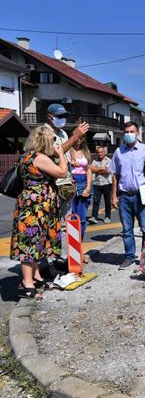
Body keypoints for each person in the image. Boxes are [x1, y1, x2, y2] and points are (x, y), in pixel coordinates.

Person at [10, 125, 68, 299]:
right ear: (45, 140)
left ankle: (36, 277)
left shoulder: (26, 156)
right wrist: (61, 155)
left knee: (37, 242)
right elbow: (62, 172)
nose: (54, 142)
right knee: (30, 243)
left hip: (34, 205)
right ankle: (26, 283)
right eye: (52, 139)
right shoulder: (39, 157)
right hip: (35, 207)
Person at [110, 122, 145, 269]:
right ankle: (129, 257)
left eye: (132, 131)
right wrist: (114, 196)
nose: (129, 134)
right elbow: (115, 175)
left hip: (142, 196)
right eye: (126, 131)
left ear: (137, 133)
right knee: (127, 230)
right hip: (124, 196)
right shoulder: (118, 152)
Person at [45, 103, 89, 261]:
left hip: (66, 184)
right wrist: (75, 137)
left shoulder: (62, 132)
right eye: (60, 116)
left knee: (66, 223)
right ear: (50, 117)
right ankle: (52, 259)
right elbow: (56, 153)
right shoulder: (45, 132)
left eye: (65, 116)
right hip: (52, 185)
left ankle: (66, 257)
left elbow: (65, 155)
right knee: (52, 223)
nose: (63, 119)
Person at [69, 138, 92, 245]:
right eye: (76, 136)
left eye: (81, 137)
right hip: (72, 182)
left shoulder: (86, 151)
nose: (78, 139)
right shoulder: (68, 151)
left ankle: (79, 245)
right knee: (72, 216)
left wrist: (88, 187)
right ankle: (73, 245)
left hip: (84, 181)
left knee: (82, 217)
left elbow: (89, 170)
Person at [88, 146, 112, 224]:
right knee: (96, 201)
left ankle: (107, 216)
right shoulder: (94, 161)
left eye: (101, 152)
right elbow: (92, 169)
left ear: (104, 152)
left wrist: (97, 170)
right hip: (97, 183)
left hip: (107, 183)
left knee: (107, 201)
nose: (100, 154)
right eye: (98, 152)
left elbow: (107, 171)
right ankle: (94, 217)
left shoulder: (109, 161)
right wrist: (102, 169)